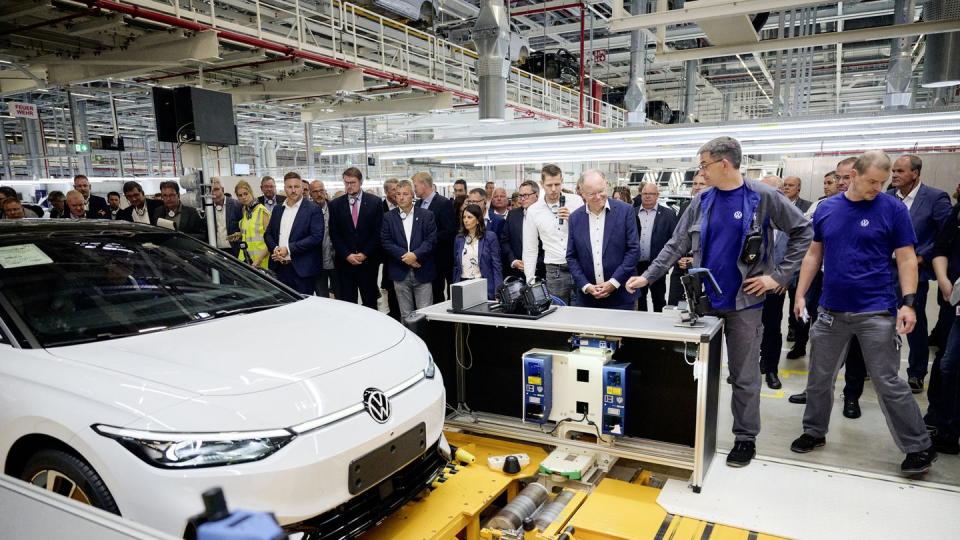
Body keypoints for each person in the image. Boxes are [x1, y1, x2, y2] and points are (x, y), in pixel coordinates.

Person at [626, 136, 813, 468]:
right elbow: (676, 243)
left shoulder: (763, 197)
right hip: (705, 302)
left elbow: (803, 231)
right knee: (696, 372)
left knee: (744, 375)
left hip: (745, 303)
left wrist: (778, 276)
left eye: (704, 165)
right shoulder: (702, 201)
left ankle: (745, 438)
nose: (701, 172)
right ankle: (695, 432)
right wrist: (648, 277)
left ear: (724, 163)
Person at [790, 150, 935, 476]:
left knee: (887, 382)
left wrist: (909, 302)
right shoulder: (827, 208)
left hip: (876, 312)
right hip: (830, 312)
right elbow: (814, 254)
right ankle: (814, 431)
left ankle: (918, 447)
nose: (877, 187)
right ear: (852, 175)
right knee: (819, 377)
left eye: (882, 182)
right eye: (871, 181)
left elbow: (907, 258)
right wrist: (800, 294)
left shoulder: (892, 209)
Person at [889, 154, 952, 394]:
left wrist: (922, 256)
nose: (894, 175)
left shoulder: (935, 198)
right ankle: (875, 367)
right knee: (880, 320)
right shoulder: (887, 198)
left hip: (915, 271)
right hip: (885, 270)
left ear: (915, 173)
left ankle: (916, 373)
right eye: (893, 171)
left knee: (913, 322)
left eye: (900, 171)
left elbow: (944, 236)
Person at [567, 170, 640, 310]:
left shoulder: (625, 211)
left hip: (621, 296)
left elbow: (633, 251)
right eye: (591, 194)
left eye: (601, 191)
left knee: (620, 332)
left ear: (606, 185)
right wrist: (586, 286)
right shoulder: (575, 218)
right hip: (588, 299)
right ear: (582, 193)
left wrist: (613, 282)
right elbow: (571, 257)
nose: (598, 197)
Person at [523, 164, 584, 305]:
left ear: (562, 180)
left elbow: (588, 234)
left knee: (581, 312)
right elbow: (530, 248)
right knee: (556, 314)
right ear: (541, 184)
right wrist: (530, 280)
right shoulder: (533, 210)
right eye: (549, 185)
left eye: (557, 184)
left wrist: (573, 220)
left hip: (579, 266)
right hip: (554, 270)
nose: (554, 189)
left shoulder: (576, 201)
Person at [927, 203, 960, 455]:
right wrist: (944, 280)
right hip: (955, 300)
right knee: (947, 364)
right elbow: (940, 248)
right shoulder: (958, 210)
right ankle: (942, 424)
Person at [329, 167, 383, 309]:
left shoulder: (375, 202)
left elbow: (377, 232)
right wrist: (347, 254)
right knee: (348, 304)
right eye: (346, 183)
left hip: (368, 262)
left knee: (370, 301)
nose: (349, 186)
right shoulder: (335, 205)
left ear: (360, 182)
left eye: (352, 182)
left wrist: (364, 253)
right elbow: (334, 233)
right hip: (345, 263)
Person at [381, 180, 437, 318]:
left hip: (423, 270)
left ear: (412, 195)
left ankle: (423, 340)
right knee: (406, 315)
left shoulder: (426, 215)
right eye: (398, 194)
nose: (401, 197)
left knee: (425, 315)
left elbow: (431, 240)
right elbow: (386, 241)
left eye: (405, 194)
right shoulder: (388, 217)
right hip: (400, 272)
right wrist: (407, 258)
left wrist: (416, 255)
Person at [264, 172, 325, 294]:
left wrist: (288, 249)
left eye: (296, 187)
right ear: (284, 188)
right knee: (282, 306)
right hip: (279, 268)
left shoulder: (313, 209)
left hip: (302, 270)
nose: (293, 190)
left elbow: (316, 237)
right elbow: (268, 234)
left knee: (303, 308)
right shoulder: (278, 209)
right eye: (289, 187)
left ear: (302, 188)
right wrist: (275, 248)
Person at [758, 175, 790, 390]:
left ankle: (770, 369)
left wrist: (784, 279)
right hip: (750, 285)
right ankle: (746, 367)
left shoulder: (790, 219)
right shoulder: (752, 215)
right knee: (748, 329)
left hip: (776, 285)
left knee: (771, 328)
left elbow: (801, 252)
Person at [634, 181, 678, 312]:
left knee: (658, 298)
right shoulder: (632, 213)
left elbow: (674, 239)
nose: (647, 196)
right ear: (641, 195)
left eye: (651, 194)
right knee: (639, 298)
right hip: (637, 265)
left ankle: (658, 327)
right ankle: (642, 328)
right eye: (645, 193)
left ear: (657, 195)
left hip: (657, 264)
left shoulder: (668, 215)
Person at [414, 172, 456, 303]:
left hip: (440, 258)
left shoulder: (444, 203)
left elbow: (449, 231)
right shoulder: (417, 205)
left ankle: (440, 323)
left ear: (424, 185)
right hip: (423, 259)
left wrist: (428, 240)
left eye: (415, 186)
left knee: (437, 293)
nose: (414, 189)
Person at [668, 172, 709, 306]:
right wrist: (678, 258)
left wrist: (696, 259)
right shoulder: (686, 207)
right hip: (682, 266)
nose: (697, 187)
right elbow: (678, 238)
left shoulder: (716, 209)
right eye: (694, 183)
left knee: (700, 308)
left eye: (701, 184)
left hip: (704, 268)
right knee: (675, 306)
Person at [454, 204, 502, 300]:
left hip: (482, 284)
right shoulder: (459, 238)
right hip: (463, 283)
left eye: (469, 217)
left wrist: (498, 291)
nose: (466, 220)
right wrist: (455, 286)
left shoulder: (490, 237)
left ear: (477, 220)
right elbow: (456, 266)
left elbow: (496, 265)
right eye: (464, 217)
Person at [501, 180, 545, 280]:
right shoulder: (513, 215)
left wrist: (532, 263)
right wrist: (513, 260)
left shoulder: (545, 215)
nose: (522, 199)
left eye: (526, 195)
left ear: (537, 195)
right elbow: (504, 241)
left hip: (540, 273)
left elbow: (549, 245)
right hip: (516, 273)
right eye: (520, 196)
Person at [309, 180, 338, 298]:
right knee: (322, 295)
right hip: (317, 262)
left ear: (325, 192)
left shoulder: (335, 208)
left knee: (341, 294)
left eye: (321, 190)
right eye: (315, 192)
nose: (319, 194)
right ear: (310, 194)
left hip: (336, 260)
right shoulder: (307, 211)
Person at [234, 180, 271, 269]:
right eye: (240, 195)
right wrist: (239, 234)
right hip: (245, 258)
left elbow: (270, 240)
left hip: (260, 261)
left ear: (251, 193)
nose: (243, 197)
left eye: (246, 194)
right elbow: (251, 232)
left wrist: (259, 260)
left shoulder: (262, 211)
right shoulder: (245, 210)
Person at [210, 178, 242, 256]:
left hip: (235, 250)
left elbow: (244, 228)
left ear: (223, 189)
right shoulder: (208, 209)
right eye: (211, 191)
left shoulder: (236, 205)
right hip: (216, 251)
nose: (214, 193)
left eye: (216, 189)